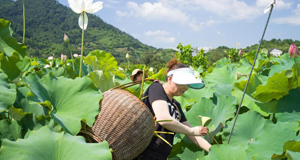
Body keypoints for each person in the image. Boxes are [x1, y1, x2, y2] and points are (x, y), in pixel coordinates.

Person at [135, 59, 211, 160]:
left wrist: (214, 150)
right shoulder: (156, 88)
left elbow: (192, 135)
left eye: (188, 84)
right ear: (170, 79)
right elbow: (164, 119)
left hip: (160, 156)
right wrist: (192, 131)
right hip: (144, 153)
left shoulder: (176, 106)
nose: (186, 88)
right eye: (183, 83)